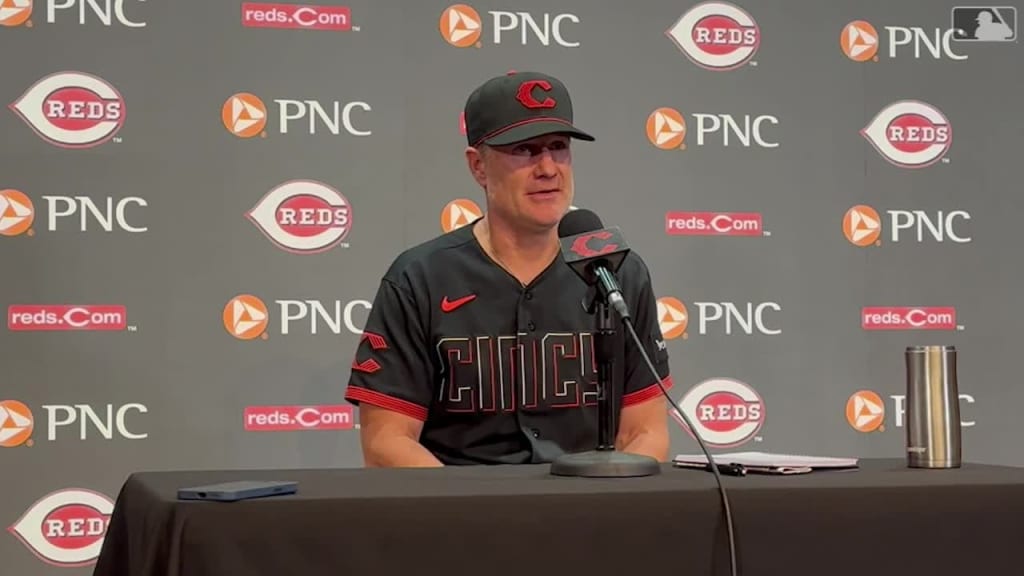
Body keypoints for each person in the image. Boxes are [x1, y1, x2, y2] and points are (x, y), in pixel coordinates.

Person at [343, 70, 674, 467]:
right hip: (460, 516)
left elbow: (646, 431)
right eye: (524, 150)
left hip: (586, 510)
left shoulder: (616, 272)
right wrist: (479, 520)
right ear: (478, 167)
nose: (548, 168)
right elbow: (386, 441)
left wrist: (603, 510)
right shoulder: (420, 278)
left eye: (558, 146)